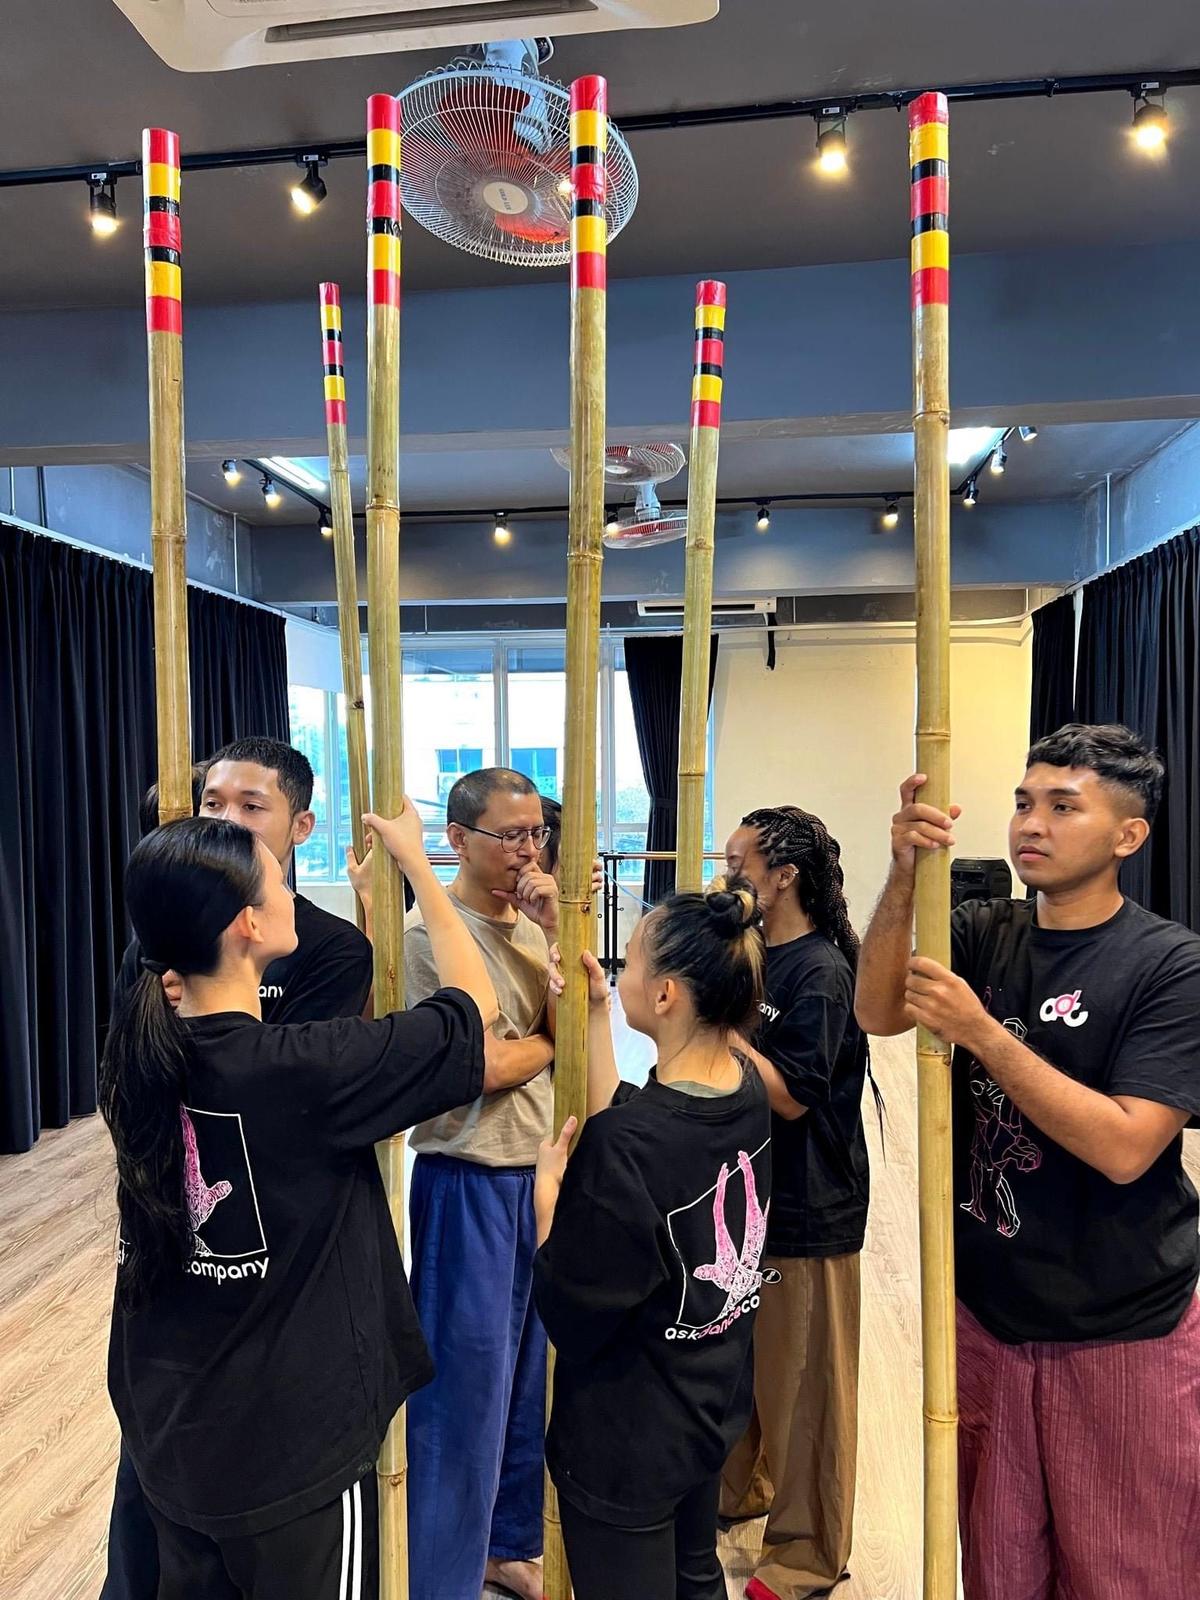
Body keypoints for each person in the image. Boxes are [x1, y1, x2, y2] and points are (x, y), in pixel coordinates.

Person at [100, 803, 497, 1600]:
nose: (290, 892)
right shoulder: (305, 1071)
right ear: (247, 924)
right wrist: (422, 868)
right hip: (289, 1447)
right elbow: (473, 1011)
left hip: (174, 1427)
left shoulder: (136, 1051)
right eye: (280, 881)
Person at [854, 723, 1200, 1600]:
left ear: (1128, 835)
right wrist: (902, 873)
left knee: (1129, 1570)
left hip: (1122, 1324)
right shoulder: (982, 929)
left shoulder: (1170, 965)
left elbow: (1127, 1147)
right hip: (991, 1316)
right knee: (1004, 1566)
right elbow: (879, 1010)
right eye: (1021, 802)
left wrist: (979, 1033)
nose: (1029, 825)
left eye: (1061, 806)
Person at [103, 738, 374, 1600]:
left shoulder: (328, 948)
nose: (223, 821)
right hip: (175, 1261)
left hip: (275, 1255)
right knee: (155, 1507)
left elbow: (310, 1099)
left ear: (299, 826)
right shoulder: (156, 944)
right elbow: (135, 1087)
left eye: (248, 808)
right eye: (211, 803)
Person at [533, 880, 773, 1600]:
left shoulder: (624, 1147)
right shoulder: (744, 1092)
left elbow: (574, 1314)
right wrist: (599, 1013)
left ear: (666, 995)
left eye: (628, 963)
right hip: (706, 1408)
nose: (618, 972)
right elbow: (636, 1119)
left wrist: (549, 1208)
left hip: (624, 1439)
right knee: (696, 1578)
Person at [404, 769, 560, 1600]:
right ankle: (440, 1577)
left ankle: (508, 1545)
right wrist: (544, 1039)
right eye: (510, 835)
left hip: (538, 1174)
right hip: (466, 1180)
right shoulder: (430, 936)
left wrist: (544, 1027)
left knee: (530, 1380)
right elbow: (484, 1065)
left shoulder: (538, 924)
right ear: (458, 841)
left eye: (537, 832)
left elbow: (577, 1025)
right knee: (461, 1393)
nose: (528, 852)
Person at [719, 806, 871, 1600]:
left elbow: (791, 1099)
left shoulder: (820, 971)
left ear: (784, 877)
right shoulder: (753, 956)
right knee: (748, 1365)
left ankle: (808, 1554)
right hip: (749, 1196)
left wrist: (722, 1033)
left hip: (811, 1209)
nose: (727, 873)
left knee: (804, 1388)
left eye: (739, 862)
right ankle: (740, 1492)